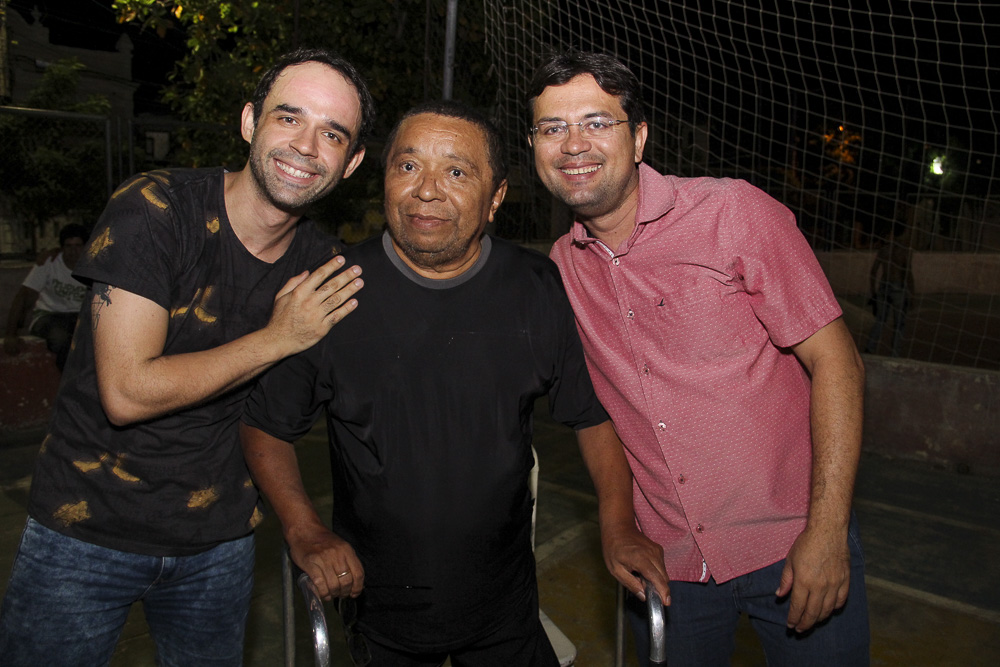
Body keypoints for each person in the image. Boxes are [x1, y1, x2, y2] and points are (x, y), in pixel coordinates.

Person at [241, 100, 655, 667]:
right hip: (378, 609)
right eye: (408, 166)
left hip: (506, 607)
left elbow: (590, 415)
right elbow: (265, 426)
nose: (427, 190)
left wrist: (619, 522)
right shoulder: (328, 294)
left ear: (496, 198)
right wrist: (304, 529)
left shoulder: (537, 288)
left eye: (456, 171)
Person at [0, 47, 375, 666]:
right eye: (289, 118)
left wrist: (305, 525)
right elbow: (126, 392)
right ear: (250, 122)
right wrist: (279, 337)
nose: (306, 146)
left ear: (352, 162)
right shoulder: (156, 208)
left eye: (332, 134)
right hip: (84, 532)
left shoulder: (320, 266)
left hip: (218, 543)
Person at [527, 50, 870, 666]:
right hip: (669, 567)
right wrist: (616, 523)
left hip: (793, 545)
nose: (574, 144)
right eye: (553, 128)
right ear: (534, 147)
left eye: (597, 122)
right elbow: (595, 410)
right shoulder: (562, 268)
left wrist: (827, 531)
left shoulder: (733, 212)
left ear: (639, 138)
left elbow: (838, 363)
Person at [4, 223, 89, 371]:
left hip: (80, 315)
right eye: (68, 246)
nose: (73, 251)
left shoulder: (93, 266)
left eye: (78, 246)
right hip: (48, 315)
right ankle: (69, 381)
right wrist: (11, 334)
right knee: (61, 339)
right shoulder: (49, 263)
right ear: (62, 248)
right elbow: (24, 297)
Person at [864, 225, 914, 357]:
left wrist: (873, 291)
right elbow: (907, 274)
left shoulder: (884, 250)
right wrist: (912, 294)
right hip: (898, 288)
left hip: (884, 287)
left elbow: (874, 271)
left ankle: (870, 347)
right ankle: (895, 353)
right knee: (899, 323)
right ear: (903, 234)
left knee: (880, 320)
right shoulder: (904, 251)